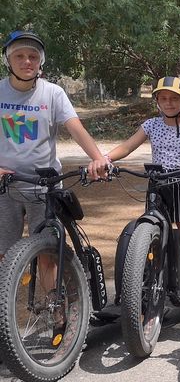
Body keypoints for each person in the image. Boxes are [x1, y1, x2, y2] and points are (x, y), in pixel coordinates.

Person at [102, 76, 180, 329]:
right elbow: (129, 146)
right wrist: (106, 158)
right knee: (152, 242)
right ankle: (155, 297)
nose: (168, 103)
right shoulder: (151, 125)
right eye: (163, 98)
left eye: (174, 98)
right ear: (157, 101)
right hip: (157, 187)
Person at [0, 30, 107, 261]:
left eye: (33, 56)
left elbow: (76, 129)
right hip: (5, 187)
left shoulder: (52, 93)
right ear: (8, 60)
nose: (27, 61)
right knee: (3, 253)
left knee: (49, 254)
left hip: (45, 187)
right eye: (19, 56)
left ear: (41, 62)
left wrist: (98, 158)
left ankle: (54, 298)